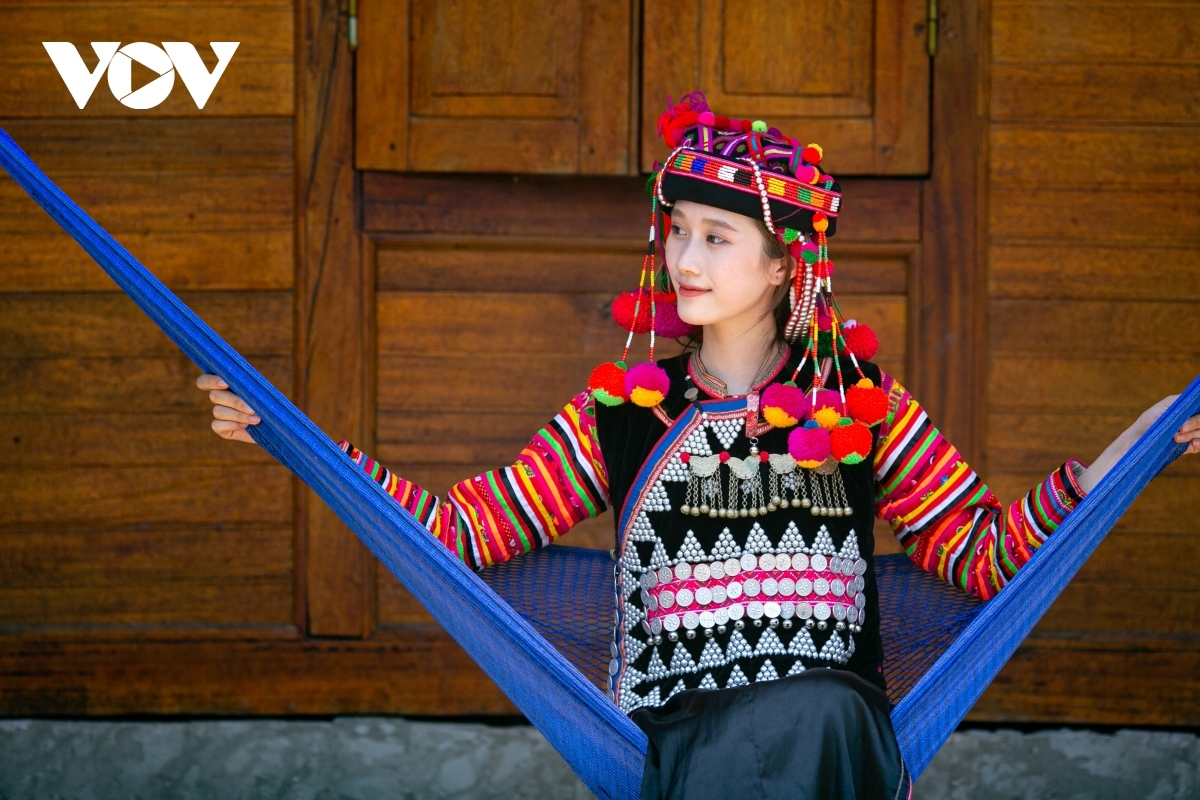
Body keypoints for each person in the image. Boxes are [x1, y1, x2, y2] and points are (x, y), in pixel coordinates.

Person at [197, 94, 1200, 799]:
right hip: (685, 739)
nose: (682, 256)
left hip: (830, 732)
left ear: (782, 264)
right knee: (766, 725)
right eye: (677, 229)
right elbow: (463, 529)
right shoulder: (623, 408)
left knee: (809, 707)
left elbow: (990, 555)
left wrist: (1140, 444)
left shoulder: (865, 405)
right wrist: (292, 437)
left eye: (716, 237)